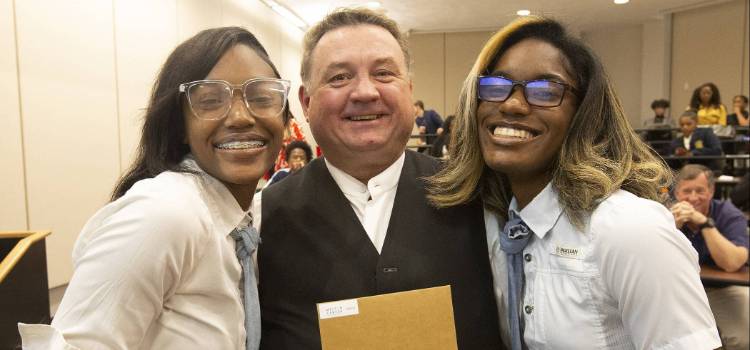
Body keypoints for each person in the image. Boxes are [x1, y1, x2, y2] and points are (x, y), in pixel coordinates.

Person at [427, 16, 720, 349]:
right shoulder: (491, 228)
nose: (511, 103)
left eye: (545, 91)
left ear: (583, 114)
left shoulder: (630, 229)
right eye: (496, 86)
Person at [18, 27, 290, 349]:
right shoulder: (167, 212)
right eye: (210, 101)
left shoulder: (242, 219)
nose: (241, 117)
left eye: (261, 98)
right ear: (181, 127)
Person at [256, 8, 502, 349]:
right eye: (339, 77)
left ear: (409, 90)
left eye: (384, 73)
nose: (365, 92)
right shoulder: (260, 220)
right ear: (306, 101)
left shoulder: (476, 196)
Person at [670, 164, 749, 350]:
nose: (693, 197)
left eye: (700, 190)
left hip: (723, 289)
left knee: (743, 340)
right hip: (680, 290)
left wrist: (705, 223)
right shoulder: (666, 217)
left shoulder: (730, 215)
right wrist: (670, 228)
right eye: (686, 191)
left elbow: (732, 263)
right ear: (676, 194)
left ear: (711, 191)